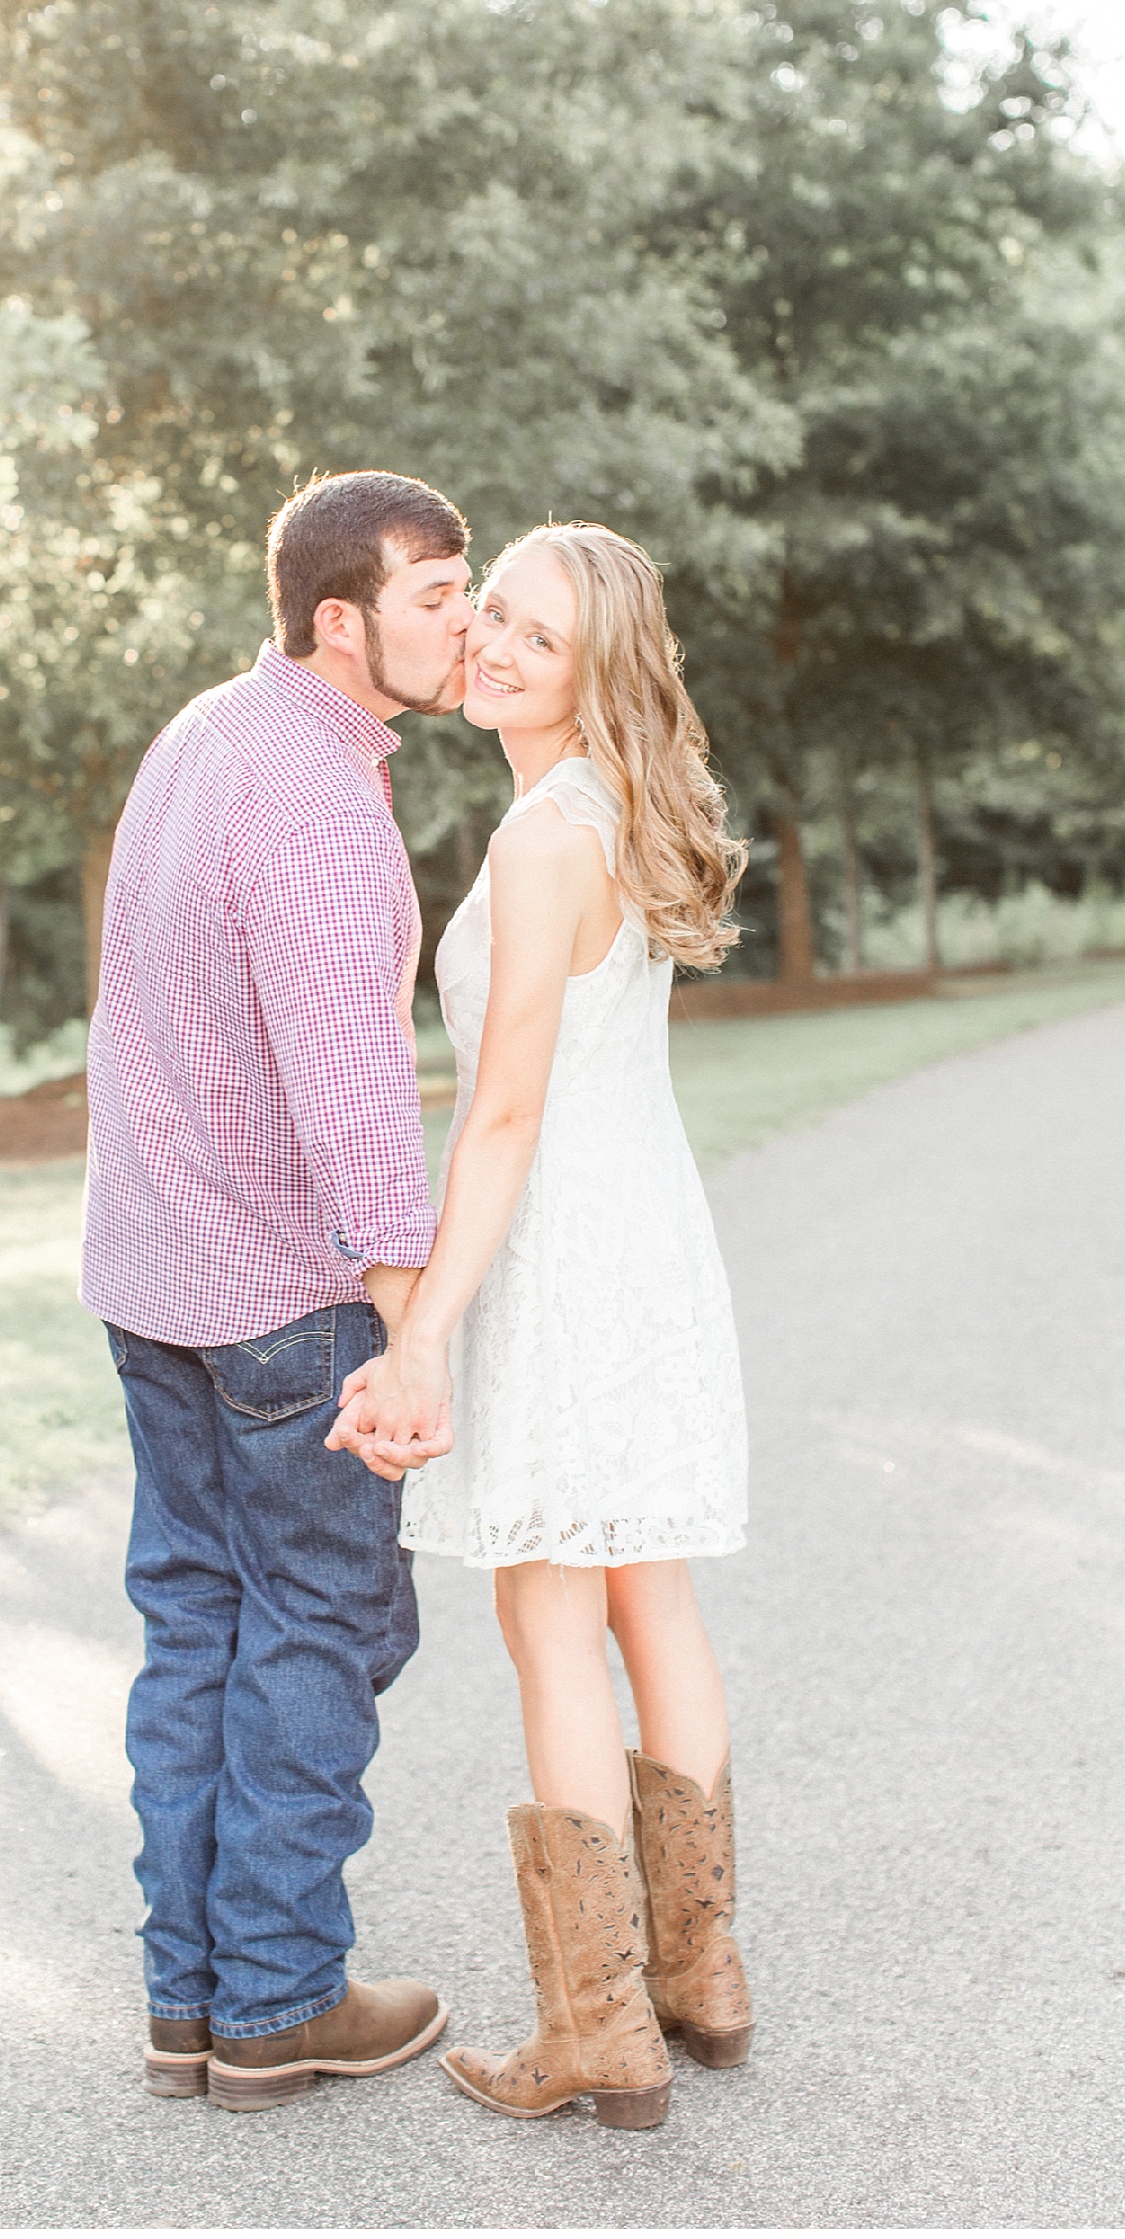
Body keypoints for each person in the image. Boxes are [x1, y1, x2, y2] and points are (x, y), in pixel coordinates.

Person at [328, 522, 752, 2134]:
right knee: (653, 1598)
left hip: (566, 1252)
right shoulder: (623, 804)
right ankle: (701, 1977)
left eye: (537, 635)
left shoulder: (540, 837)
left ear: (595, 671)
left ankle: (598, 2027)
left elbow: (502, 1112)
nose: (494, 644)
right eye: (491, 611)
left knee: (553, 1617)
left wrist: (428, 1327)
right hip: (651, 1240)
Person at [81, 468, 475, 2112]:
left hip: (152, 1278)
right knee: (320, 1620)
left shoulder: (202, 736)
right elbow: (354, 1095)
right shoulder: (315, 798)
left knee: (199, 1623)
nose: (465, 622)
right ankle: (282, 1997)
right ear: (341, 619)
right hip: (284, 1300)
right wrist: (413, 1327)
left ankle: (191, 2003)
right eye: (436, 596)